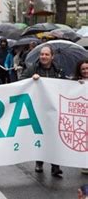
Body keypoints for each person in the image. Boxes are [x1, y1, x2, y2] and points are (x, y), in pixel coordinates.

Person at [20, 44, 65, 177]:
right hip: (38, 109)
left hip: (53, 109)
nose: (43, 57)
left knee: (54, 137)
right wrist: (31, 79)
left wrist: (78, 84)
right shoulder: (32, 69)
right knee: (40, 135)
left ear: (52, 56)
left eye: (46, 54)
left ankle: (55, 165)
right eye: (42, 54)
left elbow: (65, 85)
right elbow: (21, 81)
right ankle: (39, 162)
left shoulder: (58, 70)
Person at [74, 60, 88, 175]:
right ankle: (85, 164)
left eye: (87, 68)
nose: (85, 71)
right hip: (82, 117)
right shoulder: (76, 83)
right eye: (83, 69)